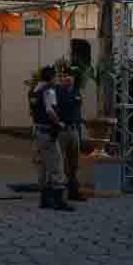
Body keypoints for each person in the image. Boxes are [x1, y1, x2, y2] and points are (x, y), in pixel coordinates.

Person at [29, 66, 74, 212]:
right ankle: (59, 201)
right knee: (57, 165)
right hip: (48, 133)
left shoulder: (34, 90)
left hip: (38, 132)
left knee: (43, 166)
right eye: (55, 77)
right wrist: (59, 123)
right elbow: (50, 111)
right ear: (51, 78)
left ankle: (44, 199)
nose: (57, 80)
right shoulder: (49, 91)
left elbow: (33, 111)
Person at [56, 69, 86, 202]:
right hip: (61, 131)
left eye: (70, 76)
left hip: (74, 130)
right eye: (65, 76)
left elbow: (78, 108)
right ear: (61, 78)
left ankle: (73, 191)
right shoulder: (57, 91)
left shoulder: (76, 91)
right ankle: (58, 192)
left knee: (74, 163)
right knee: (59, 162)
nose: (68, 78)